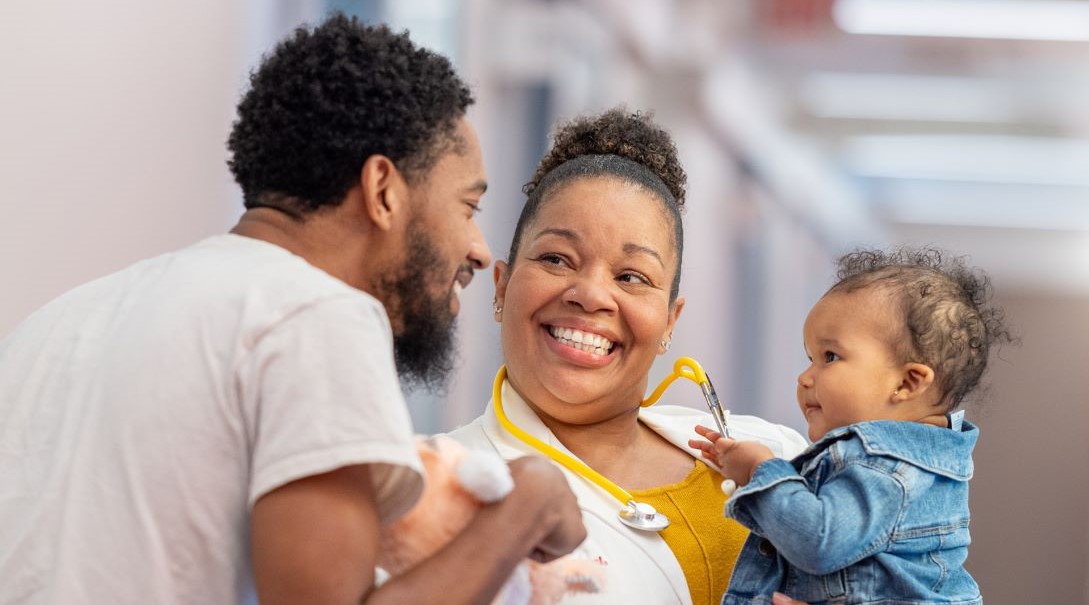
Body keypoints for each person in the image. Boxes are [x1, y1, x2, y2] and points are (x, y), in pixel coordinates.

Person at [0, 15, 584, 605]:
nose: (480, 251)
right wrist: (525, 507)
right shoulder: (318, 316)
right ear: (384, 190)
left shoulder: (55, 325)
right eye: (468, 208)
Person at [447, 108, 808, 605]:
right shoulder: (443, 485)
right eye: (556, 258)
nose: (591, 294)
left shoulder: (777, 456)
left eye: (632, 276)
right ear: (502, 286)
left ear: (669, 322)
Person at [691, 247, 1014, 605]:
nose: (804, 377)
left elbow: (818, 540)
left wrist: (760, 470)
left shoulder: (887, 468)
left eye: (830, 357)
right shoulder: (912, 464)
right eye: (809, 357)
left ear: (907, 383)